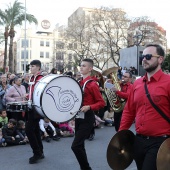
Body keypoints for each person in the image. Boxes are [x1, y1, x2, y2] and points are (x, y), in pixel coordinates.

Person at [119, 44, 170, 170]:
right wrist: (120, 135)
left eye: (148, 56)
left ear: (160, 59)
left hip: (161, 143)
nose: (144, 59)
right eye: (142, 56)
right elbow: (129, 111)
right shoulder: (136, 84)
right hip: (139, 141)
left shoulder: (168, 82)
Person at [71, 58, 105, 170]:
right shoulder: (78, 82)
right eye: (81, 65)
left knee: (76, 146)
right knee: (80, 145)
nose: (81, 67)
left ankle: (86, 168)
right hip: (79, 117)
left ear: (90, 69)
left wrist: (89, 107)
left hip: (88, 117)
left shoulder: (92, 84)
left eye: (84, 66)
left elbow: (101, 102)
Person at [25, 60, 45, 164]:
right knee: (36, 129)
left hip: (36, 107)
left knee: (29, 130)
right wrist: (28, 96)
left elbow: (41, 93)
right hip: (31, 106)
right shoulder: (32, 78)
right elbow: (32, 92)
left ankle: (36, 153)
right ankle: (40, 151)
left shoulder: (41, 78)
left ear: (38, 67)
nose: (31, 68)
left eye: (33, 66)